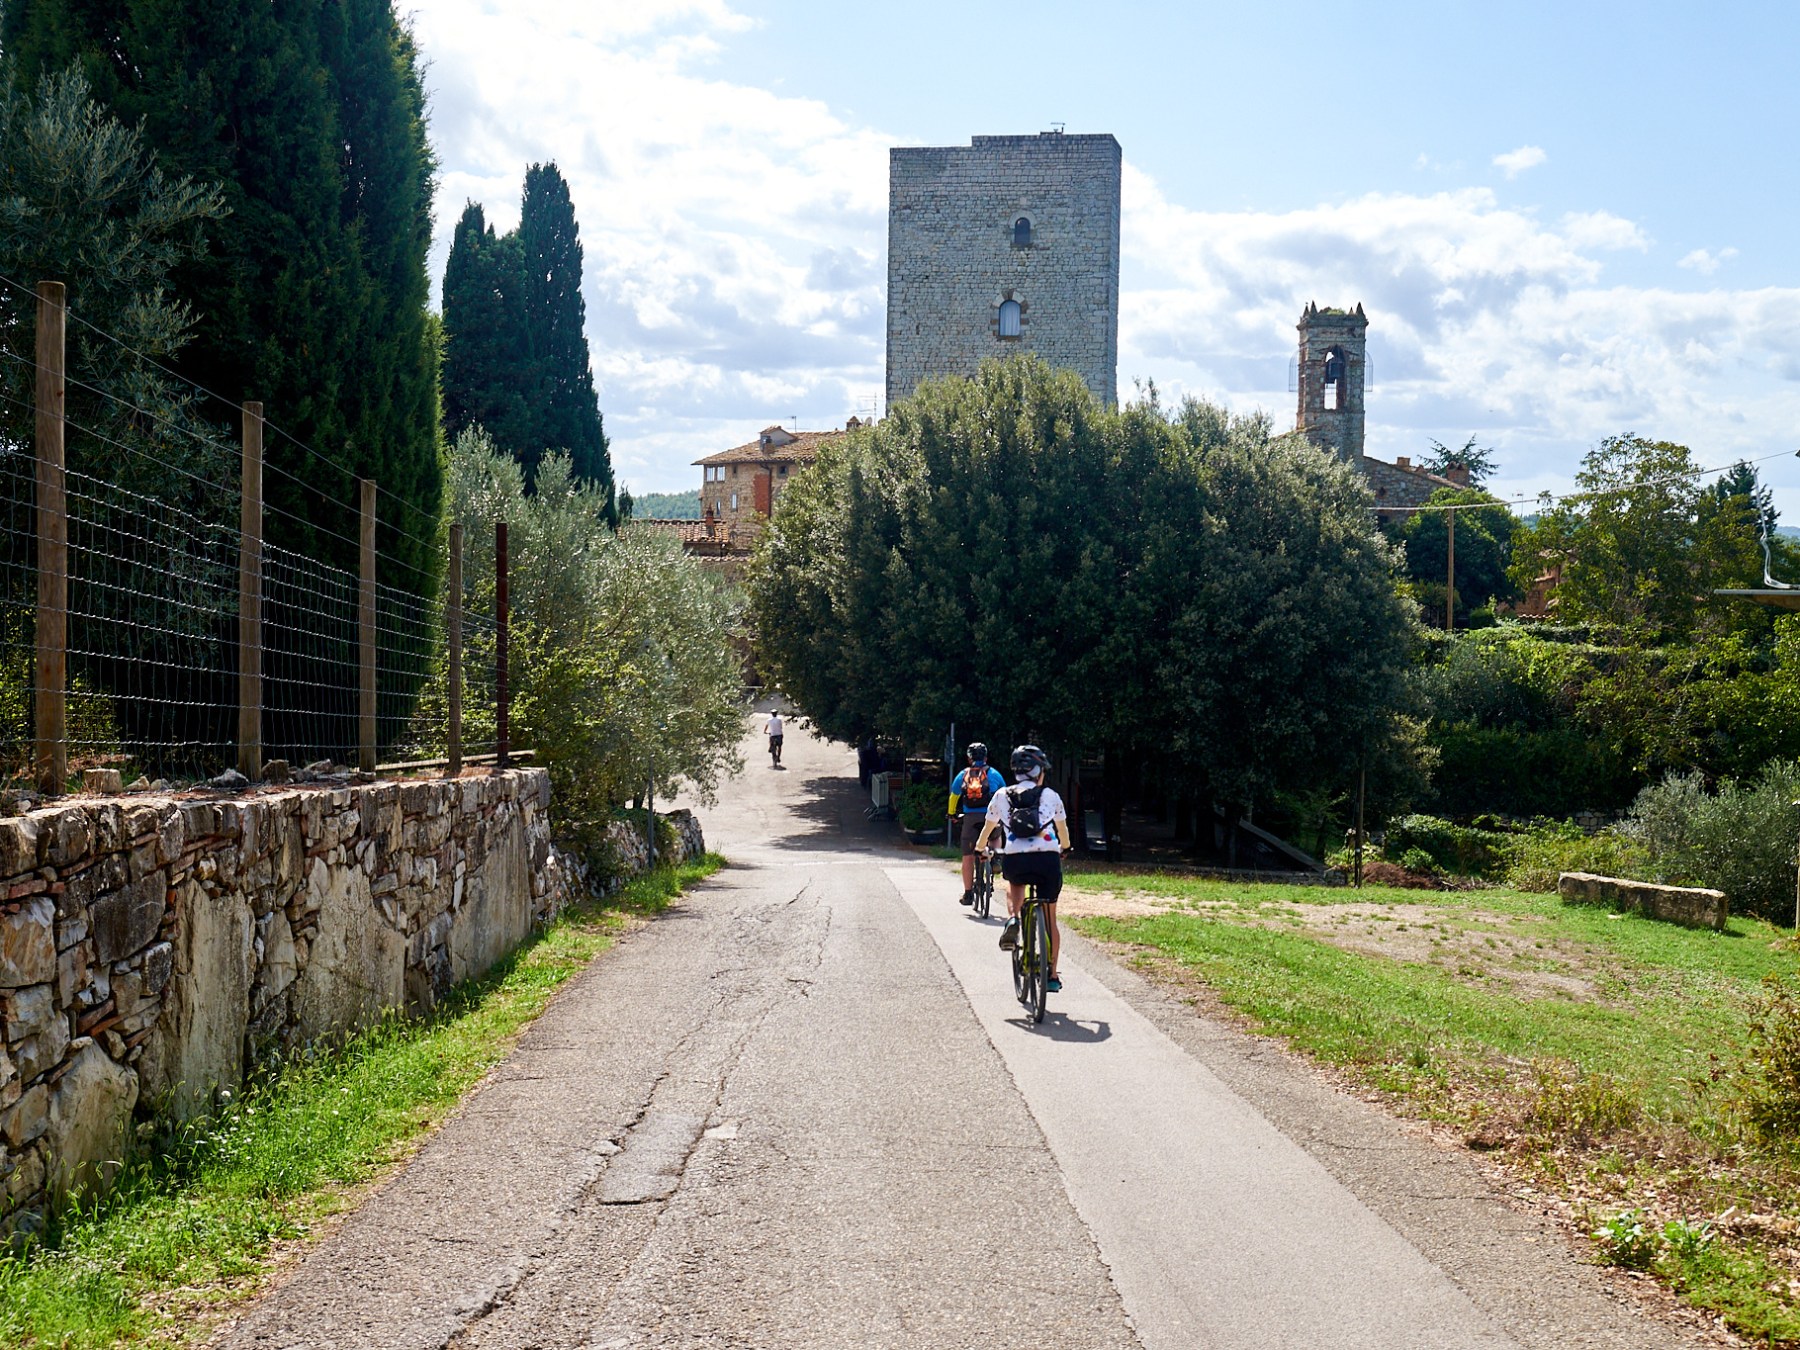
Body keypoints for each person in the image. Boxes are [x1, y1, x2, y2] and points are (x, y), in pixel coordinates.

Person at [976, 744, 1070, 993]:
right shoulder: (1050, 795)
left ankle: (1013, 919)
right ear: (1039, 771)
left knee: (1014, 885)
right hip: (1047, 860)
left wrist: (979, 849)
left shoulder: (1001, 795)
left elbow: (987, 829)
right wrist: (1066, 848)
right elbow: (1063, 832)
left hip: (1016, 858)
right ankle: (1051, 975)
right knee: (1050, 917)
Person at [946, 743, 1006, 906]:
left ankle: (967, 894)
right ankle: (995, 859)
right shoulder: (994, 774)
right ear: (986, 757)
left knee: (968, 856)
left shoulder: (963, 775)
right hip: (991, 816)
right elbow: (1005, 795)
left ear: (969, 758)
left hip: (970, 818)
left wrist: (952, 813)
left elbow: (954, 796)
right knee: (995, 834)